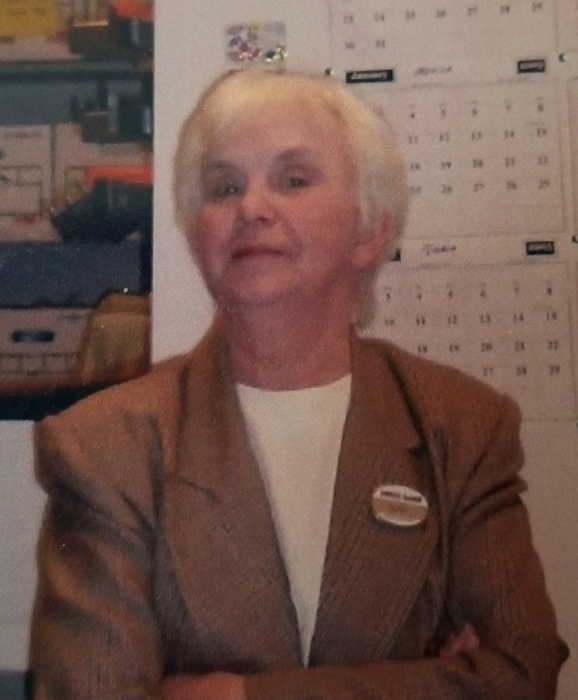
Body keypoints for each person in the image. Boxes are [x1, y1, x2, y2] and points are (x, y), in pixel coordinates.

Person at [30, 69, 568, 700]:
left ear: (368, 231)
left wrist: (236, 695)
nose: (251, 208)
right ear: (199, 237)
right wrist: (428, 682)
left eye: (293, 180)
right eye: (225, 187)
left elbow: (521, 676)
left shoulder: (464, 426)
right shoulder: (105, 447)